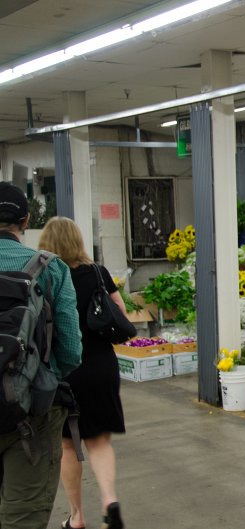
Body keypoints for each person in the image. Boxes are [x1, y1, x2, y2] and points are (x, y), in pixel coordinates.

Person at [0, 183, 82, 529]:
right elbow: (71, 351)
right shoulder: (50, 268)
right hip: (33, 412)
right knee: (23, 516)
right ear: (26, 220)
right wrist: (35, 375)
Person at [38, 217, 126, 529]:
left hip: (64, 371)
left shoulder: (44, 275)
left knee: (68, 445)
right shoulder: (98, 273)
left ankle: (77, 517)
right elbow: (121, 313)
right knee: (99, 441)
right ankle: (109, 501)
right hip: (102, 366)